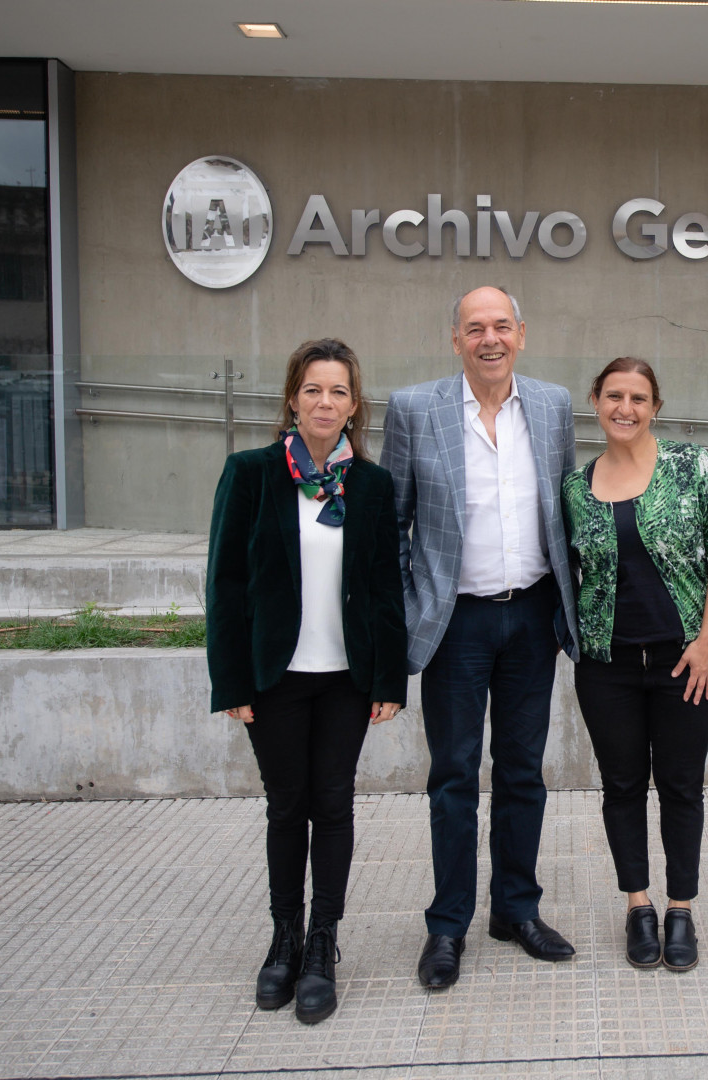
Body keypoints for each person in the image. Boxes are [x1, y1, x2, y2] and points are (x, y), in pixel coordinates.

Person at [380, 286, 581, 991]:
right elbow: (392, 524)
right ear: (456, 340)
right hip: (455, 623)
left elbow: (567, 506)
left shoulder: (554, 407)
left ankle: (517, 910)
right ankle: (448, 925)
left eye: (501, 326)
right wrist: (417, 605)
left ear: (521, 334)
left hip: (532, 618)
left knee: (523, 771)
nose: (489, 338)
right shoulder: (413, 409)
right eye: (475, 328)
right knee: (454, 776)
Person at [206, 338, 407, 1024]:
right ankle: (284, 940)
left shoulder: (371, 486)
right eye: (314, 390)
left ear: (355, 406)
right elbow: (226, 585)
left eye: (339, 392)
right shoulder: (252, 473)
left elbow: (385, 590)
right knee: (287, 808)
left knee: (335, 805)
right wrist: (230, 680)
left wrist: (389, 679)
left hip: (347, 679)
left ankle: (324, 942)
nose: (326, 402)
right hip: (275, 678)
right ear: (293, 397)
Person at [561, 357, 708, 972]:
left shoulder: (691, 468)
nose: (625, 408)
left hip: (685, 661)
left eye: (638, 398)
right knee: (623, 787)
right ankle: (638, 905)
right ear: (596, 399)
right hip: (606, 667)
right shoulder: (576, 489)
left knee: (683, 788)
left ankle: (680, 907)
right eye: (614, 396)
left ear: (655, 406)